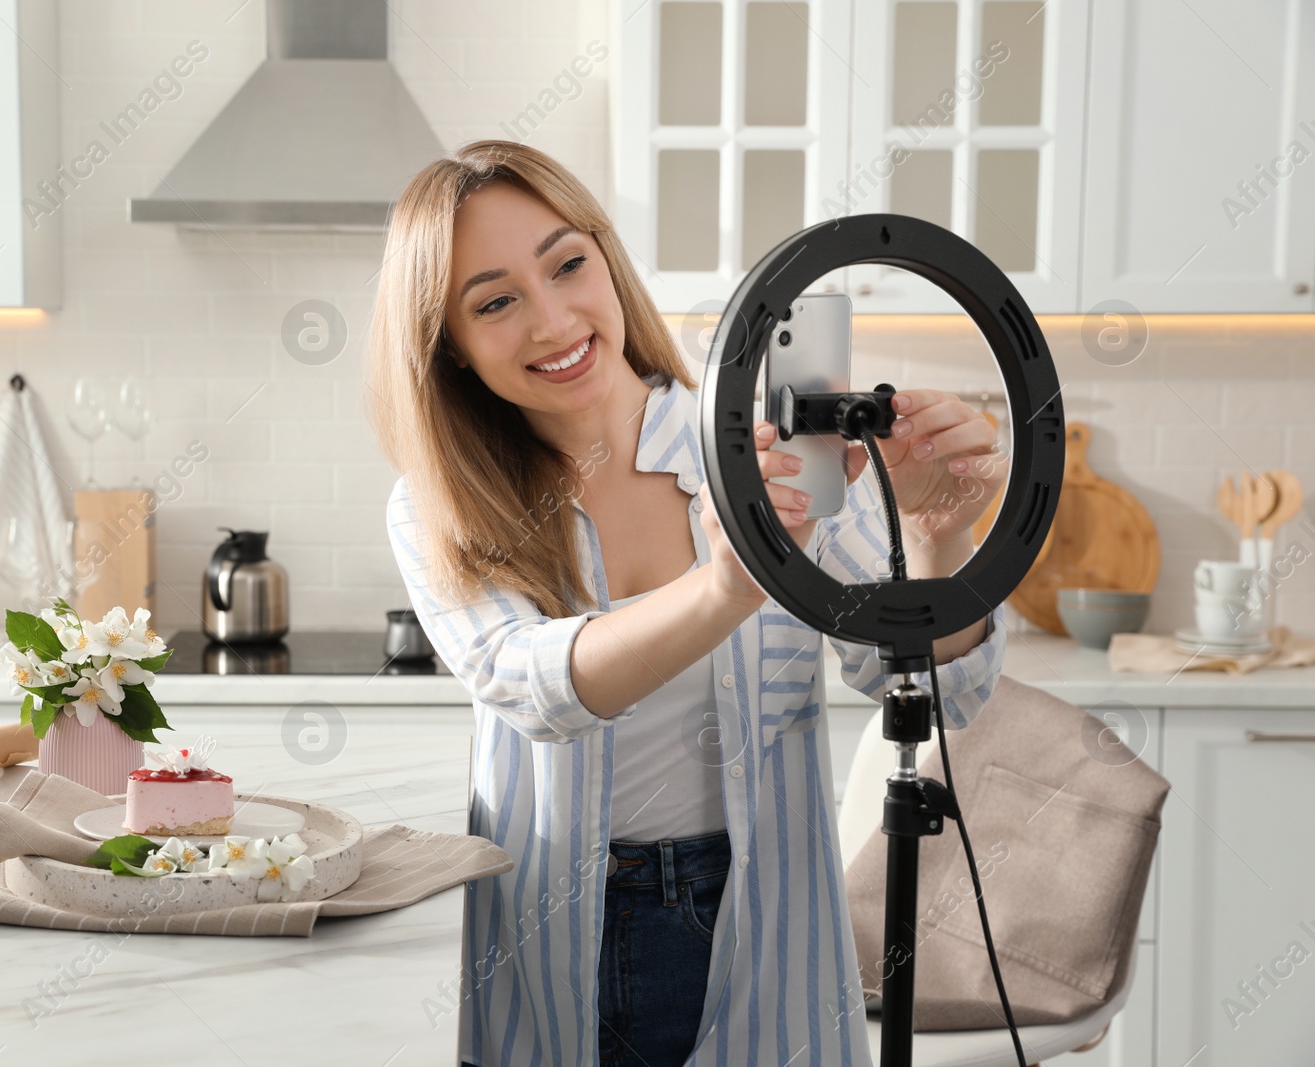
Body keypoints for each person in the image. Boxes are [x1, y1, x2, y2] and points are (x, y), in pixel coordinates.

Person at [366, 140, 1009, 1067]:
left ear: (606, 259)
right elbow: (530, 687)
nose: (553, 321)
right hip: (552, 926)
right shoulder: (438, 504)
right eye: (496, 301)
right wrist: (723, 587)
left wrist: (938, 540)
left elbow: (932, 691)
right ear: (450, 347)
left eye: (567, 265)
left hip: (758, 914)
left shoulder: (771, 449)